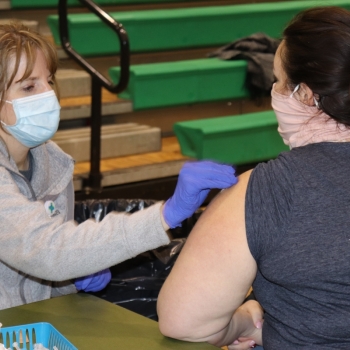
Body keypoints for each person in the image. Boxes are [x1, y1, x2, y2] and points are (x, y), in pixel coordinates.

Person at [0, 23, 237, 310]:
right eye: (28, 86)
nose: (48, 94)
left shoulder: (52, 161)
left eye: (48, 81)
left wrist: (72, 278)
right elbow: (44, 249)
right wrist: (164, 215)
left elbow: (44, 263)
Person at [157, 6, 350, 350]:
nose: (274, 90)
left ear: (304, 94)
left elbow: (184, 322)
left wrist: (246, 320)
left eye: (278, 81)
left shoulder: (268, 190)